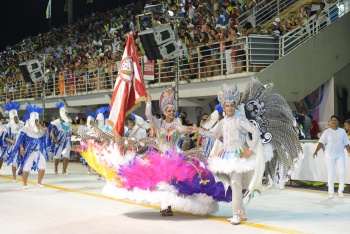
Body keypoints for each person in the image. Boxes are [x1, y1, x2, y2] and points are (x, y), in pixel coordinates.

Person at [191, 84, 263, 225]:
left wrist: (251, 149)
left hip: (238, 155)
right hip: (225, 156)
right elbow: (214, 134)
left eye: (231, 105)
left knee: (235, 183)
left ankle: (236, 214)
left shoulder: (240, 119)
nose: (229, 108)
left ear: (235, 106)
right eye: (227, 105)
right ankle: (241, 213)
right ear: (223, 107)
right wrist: (199, 130)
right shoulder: (223, 122)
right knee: (233, 184)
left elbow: (255, 131)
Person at [7, 104, 47, 189]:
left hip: (38, 151)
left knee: (43, 166)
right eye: (35, 121)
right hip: (28, 152)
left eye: (37, 121)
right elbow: (20, 140)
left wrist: (41, 127)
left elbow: (45, 134)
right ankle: (24, 184)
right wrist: (21, 148)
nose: (36, 122)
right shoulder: (25, 129)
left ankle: (39, 182)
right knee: (26, 168)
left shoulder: (38, 130)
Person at [313, 115, 350, 198]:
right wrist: (316, 151)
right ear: (330, 122)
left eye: (335, 120)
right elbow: (321, 143)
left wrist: (349, 151)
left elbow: (346, 143)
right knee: (331, 173)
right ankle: (331, 192)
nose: (333, 121)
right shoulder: (327, 132)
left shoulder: (342, 131)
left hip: (340, 154)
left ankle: (340, 190)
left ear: (338, 122)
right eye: (332, 120)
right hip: (329, 155)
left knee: (342, 173)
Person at [47, 102, 72, 174]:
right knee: (57, 156)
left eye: (67, 114)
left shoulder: (69, 122)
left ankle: (64, 170)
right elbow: (51, 131)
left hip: (67, 142)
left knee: (66, 156)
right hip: (58, 142)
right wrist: (54, 139)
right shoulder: (56, 122)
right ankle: (56, 169)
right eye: (66, 114)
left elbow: (70, 131)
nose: (67, 115)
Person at [3, 102, 25, 181]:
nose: (16, 118)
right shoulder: (8, 126)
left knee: (23, 159)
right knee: (14, 161)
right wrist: (11, 140)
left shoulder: (22, 124)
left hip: (22, 145)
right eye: (14, 117)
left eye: (16, 117)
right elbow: (5, 137)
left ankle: (21, 172)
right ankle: (14, 177)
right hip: (13, 146)